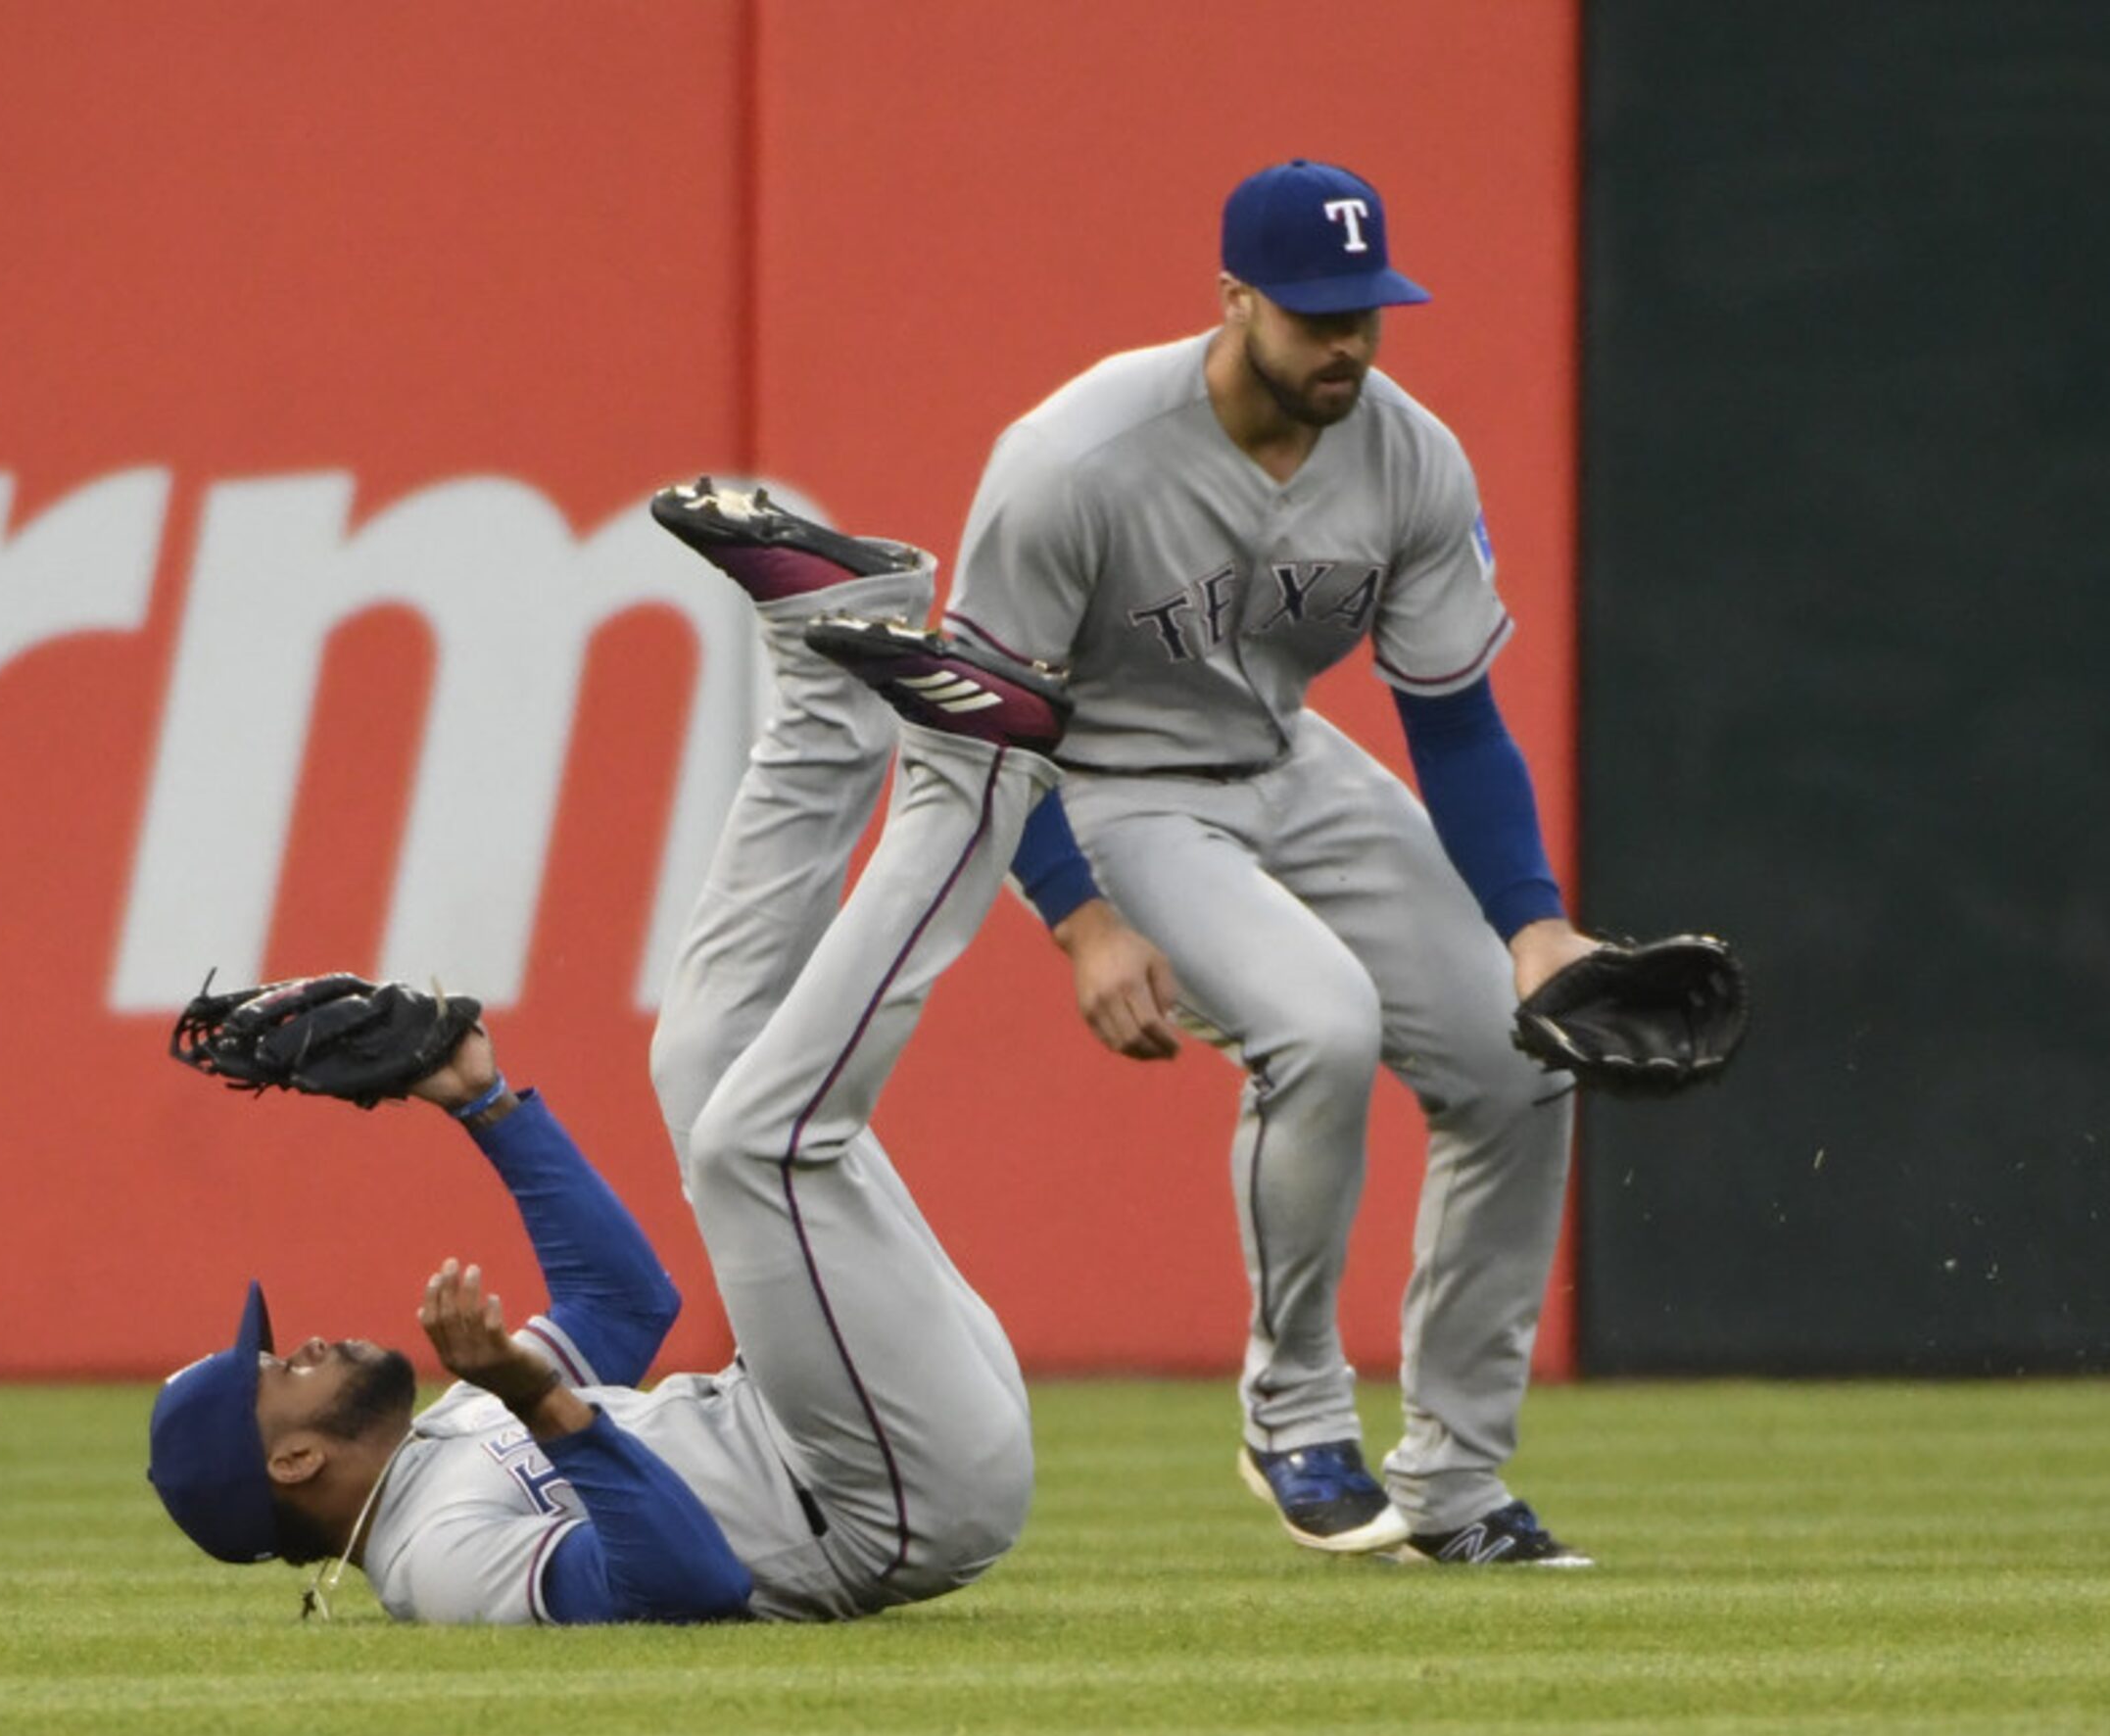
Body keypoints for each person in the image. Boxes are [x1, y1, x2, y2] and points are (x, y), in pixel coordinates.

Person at [146, 483, 1074, 1622]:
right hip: (889, 1501)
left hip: (846, 1415)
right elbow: (686, 1584)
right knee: (750, 1145)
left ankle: (827, 671)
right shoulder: (435, 1561)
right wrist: (531, 1394)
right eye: (280, 1376)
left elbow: (626, 1300)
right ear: (292, 1465)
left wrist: (482, 1103)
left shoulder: (451, 1431)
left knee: (698, 1059)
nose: (307, 1349)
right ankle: (978, 781)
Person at [943, 159, 1597, 1566]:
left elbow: (1456, 723)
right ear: (1231, 299)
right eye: (1310, 314)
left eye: (1364, 309)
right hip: (1112, 786)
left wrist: (1532, 927)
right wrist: (1078, 920)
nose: (1343, 344)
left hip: (1292, 764)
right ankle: (1293, 1406)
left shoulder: (1407, 454)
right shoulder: (1075, 456)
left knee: (1520, 1051)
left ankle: (1456, 1486)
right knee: (1319, 1024)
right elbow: (975, 716)